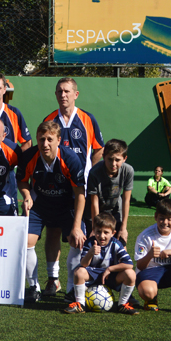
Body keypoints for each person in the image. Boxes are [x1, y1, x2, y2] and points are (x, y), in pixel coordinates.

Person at [42, 77, 104, 298]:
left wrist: (90, 175)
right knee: (53, 231)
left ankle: (79, 282)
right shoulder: (50, 119)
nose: (63, 95)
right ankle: (53, 279)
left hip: (81, 190)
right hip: (56, 188)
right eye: (59, 91)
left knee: (81, 236)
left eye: (67, 91)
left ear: (76, 94)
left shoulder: (87, 119)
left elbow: (98, 149)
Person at [17, 121, 86, 304]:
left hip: (66, 205)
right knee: (27, 242)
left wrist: (77, 226)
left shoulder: (70, 159)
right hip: (40, 205)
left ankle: (71, 288)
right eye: (41, 139)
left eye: (49, 139)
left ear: (58, 140)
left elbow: (80, 194)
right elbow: (22, 181)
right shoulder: (29, 156)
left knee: (77, 240)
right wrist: (26, 195)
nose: (45, 144)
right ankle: (35, 287)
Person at [62, 212, 139, 315]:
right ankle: (80, 304)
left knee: (131, 273)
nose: (102, 236)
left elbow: (129, 264)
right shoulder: (89, 243)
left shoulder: (116, 244)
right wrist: (90, 253)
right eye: (98, 232)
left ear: (113, 233)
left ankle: (122, 304)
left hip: (110, 276)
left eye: (106, 232)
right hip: (93, 275)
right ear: (93, 231)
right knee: (79, 272)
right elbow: (83, 264)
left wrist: (110, 269)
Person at [87, 139, 133, 244]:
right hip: (95, 211)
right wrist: (95, 228)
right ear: (103, 157)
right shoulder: (95, 172)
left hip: (115, 209)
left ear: (124, 158)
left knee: (120, 242)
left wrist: (123, 228)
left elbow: (126, 200)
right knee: (96, 243)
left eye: (117, 160)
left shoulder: (128, 171)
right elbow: (94, 202)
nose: (113, 164)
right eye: (110, 159)